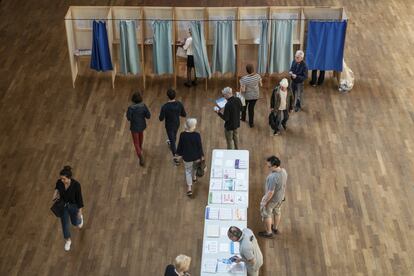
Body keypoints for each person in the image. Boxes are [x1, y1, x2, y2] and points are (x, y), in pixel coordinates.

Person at [52, 166, 84, 251]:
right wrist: (55, 195)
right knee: (65, 224)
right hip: (63, 206)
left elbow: (79, 199)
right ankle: (68, 240)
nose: (62, 180)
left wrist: (80, 211)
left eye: (64, 179)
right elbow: (56, 188)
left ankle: (80, 220)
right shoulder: (59, 182)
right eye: (61, 179)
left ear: (69, 178)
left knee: (75, 223)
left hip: (73, 206)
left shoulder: (76, 185)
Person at [258, 156, 287, 239]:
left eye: (269, 166)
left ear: (274, 166)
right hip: (280, 198)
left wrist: (265, 202)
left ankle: (268, 232)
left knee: (267, 214)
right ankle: (275, 228)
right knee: (277, 212)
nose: (268, 167)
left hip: (272, 200)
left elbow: (270, 192)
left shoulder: (273, 177)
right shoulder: (284, 171)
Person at [176, 118, 204, 197]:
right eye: (194, 125)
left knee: (188, 171)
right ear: (192, 126)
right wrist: (202, 156)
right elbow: (199, 147)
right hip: (196, 157)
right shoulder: (197, 135)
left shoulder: (182, 135)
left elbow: (180, 146)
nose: (195, 126)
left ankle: (189, 188)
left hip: (187, 157)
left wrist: (178, 154)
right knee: (195, 167)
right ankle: (194, 177)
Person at [159, 88, 187, 165]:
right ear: (175, 96)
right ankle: (171, 143)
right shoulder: (179, 104)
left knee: (173, 141)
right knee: (173, 137)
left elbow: (161, 118)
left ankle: (176, 159)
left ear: (167, 96)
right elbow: (184, 114)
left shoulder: (164, 107)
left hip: (169, 125)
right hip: (177, 123)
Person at [126, 91, 151, 166]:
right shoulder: (144, 106)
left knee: (135, 142)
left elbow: (129, 118)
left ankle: (140, 156)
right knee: (141, 137)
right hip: (142, 125)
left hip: (134, 126)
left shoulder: (130, 108)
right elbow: (148, 116)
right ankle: (140, 148)